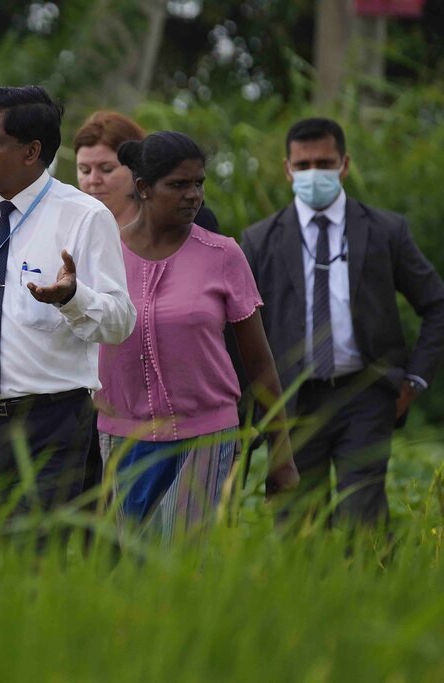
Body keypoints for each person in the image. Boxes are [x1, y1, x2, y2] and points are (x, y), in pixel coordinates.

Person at [0, 86, 136, 543]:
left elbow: (120, 322)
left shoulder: (84, 217)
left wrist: (73, 298)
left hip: (51, 421)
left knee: (34, 559)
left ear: (31, 152)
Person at [241, 117, 444, 529]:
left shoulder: (386, 230)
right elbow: (240, 326)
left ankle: (368, 570)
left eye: (324, 163)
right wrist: (251, 407)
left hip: (366, 393)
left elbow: (436, 304)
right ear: (287, 170)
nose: (313, 173)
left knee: (363, 518)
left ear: (345, 164)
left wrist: (414, 381)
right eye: (303, 165)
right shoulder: (260, 240)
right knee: (297, 523)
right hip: (293, 402)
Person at [95, 131, 298, 542]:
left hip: (206, 438)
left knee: (185, 561)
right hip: (122, 439)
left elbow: (259, 361)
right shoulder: (103, 255)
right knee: (129, 565)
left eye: (198, 183)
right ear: (143, 188)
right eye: (178, 184)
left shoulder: (223, 255)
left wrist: (282, 453)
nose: (193, 195)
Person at [74, 110, 222, 233]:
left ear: (135, 167)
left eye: (107, 169)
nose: (93, 180)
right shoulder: (73, 226)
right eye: (84, 170)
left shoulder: (189, 219)